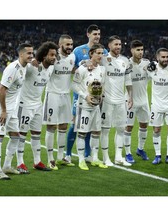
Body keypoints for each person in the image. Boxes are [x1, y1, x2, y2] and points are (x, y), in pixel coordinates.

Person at [0, 43, 33, 180]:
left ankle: (7, 165)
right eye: (29, 54)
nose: (31, 56)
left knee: (15, 136)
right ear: (21, 54)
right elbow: (2, 89)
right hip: (0, 107)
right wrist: (3, 110)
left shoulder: (25, 67)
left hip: (12, 107)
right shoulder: (13, 68)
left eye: (32, 53)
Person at [65, 24, 108, 164]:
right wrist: (84, 65)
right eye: (95, 34)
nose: (97, 36)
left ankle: (89, 155)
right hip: (81, 97)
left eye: (99, 34)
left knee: (93, 127)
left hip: (96, 96)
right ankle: (68, 154)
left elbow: (104, 69)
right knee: (75, 125)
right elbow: (70, 68)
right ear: (88, 34)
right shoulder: (78, 51)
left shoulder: (104, 51)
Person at [15, 41, 58, 173]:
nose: (54, 57)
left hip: (38, 105)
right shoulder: (31, 66)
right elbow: (17, 67)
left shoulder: (51, 68)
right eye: (51, 55)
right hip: (24, 105)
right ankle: (20, 163)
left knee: (36, 134)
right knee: (22, 134)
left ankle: (37, 161)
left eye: (55, 55)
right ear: (44, 55)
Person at [72, 43, 108, 170]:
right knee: (82, 133)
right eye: (98, 53)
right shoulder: (82, 68)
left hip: (96, 107)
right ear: (91, 54)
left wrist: (101, 96)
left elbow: (102, 86)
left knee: (97, 132)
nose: (100, 55)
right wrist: (85, 96)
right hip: (84, 106)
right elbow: (74, 85)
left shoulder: (102, 69)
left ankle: (94, 158)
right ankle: (81, 160)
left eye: (102, 53)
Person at [42, 34, 75, 170]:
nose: (69, 47)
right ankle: (50, 159)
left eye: (71, 44)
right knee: (51, 127)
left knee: (63, 127)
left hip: (66, 95)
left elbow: (71, 70)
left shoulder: (72, 57)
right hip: (53, 95)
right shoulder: (53, 58)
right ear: (60, 44)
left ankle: (61, 157)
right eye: (67, 44)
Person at [100, 35, 133, 167]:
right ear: (109, 46)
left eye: (120, 44)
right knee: (106, 130)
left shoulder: (125, 60)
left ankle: (119, 157)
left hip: (121, 101)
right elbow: (88, 63)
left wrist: (130, 97)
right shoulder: (103, 59)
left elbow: (129, 81)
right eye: (116, 44)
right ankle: (106, 157)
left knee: (121, 129)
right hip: (107, 100)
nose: (118, 47)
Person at [147, 48, 168, 166]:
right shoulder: (152, 69)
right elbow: (140, 66)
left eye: (167, 57)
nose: (165, 59)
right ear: (157, 58)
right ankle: (158, 155)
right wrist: (149, 64)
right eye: (163, 57)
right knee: (156, 130)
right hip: (156, 106)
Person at [124, 40, 150, 163]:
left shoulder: (147, 62)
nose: (140, 52)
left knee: (144, 125)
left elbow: (151, 77)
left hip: (144, 100)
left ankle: (140, 149)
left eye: (141, 50)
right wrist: (130, 97)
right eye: (137, 50)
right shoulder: (127, 64)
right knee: (128, 127)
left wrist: (152, 70)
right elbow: (125, 81)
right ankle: (128, 153)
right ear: (132, 50)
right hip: (130, 101)